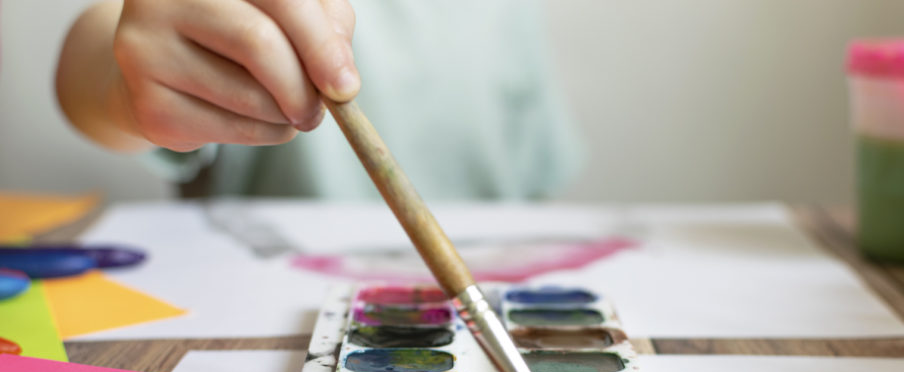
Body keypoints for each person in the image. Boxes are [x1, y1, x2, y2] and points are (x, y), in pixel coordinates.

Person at [56, 0, 581, 200]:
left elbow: (536, 191)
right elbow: (101, 46)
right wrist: (120, 87)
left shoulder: (508, 12)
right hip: (269, 317)